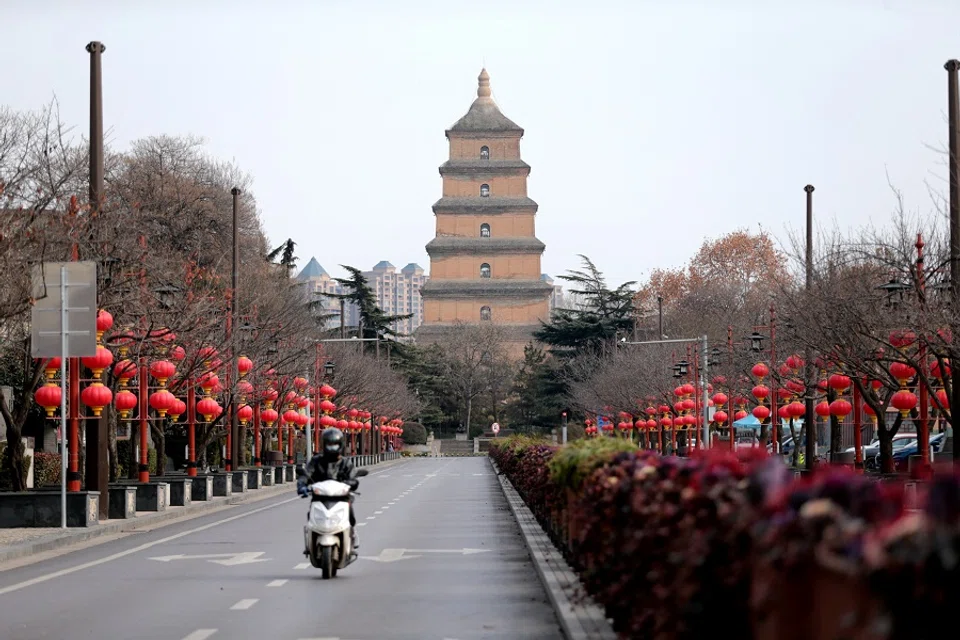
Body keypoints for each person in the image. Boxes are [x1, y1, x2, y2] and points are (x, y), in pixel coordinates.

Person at [296, 427, 360, 555]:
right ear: (324, 444)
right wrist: (302, 485)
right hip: (320, 497)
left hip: (341, 497)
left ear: (340, 445)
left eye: (335, 445)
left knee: (351, 514)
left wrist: (351, 483)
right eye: (329, 445)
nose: (332, 448)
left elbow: (353, 478)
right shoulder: (316, 461)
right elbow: (306, 474)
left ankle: (352, 532)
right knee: (310, 515)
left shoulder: (345, 463)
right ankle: (311, 540)